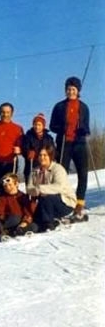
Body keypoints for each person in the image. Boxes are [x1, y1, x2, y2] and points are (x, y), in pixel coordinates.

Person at [50, 76, 91, 220]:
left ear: (78, 90)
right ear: (65, 91)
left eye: (73, 89)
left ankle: (79, 205)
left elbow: (87, 126)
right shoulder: (59, 106)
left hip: (79, 144)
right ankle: (63, 203)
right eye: (68, 89)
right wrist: (61, 128)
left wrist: (83, 130)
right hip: (64, 144)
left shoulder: (84, 107)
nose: (71, 92)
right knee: (62, 174)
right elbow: (52, 126)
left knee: (83, 174)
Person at [27, 146, 77, 231]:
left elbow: (59, 187)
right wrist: (35, 191)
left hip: (64, 203)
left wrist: (40, 188)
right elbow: (29, 188)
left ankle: (48, 224)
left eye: (45, 155)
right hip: (44, 204)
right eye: (40, 155)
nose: (42, 157)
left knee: (47, 197)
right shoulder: (34, 171)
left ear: (50, 156)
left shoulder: (58, 169)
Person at [0, 173, 36, 237]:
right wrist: (3, 217)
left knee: (34, 226)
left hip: (20, 222)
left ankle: (18, 231)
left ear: (16, 184)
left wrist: (25, 221)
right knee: (15, 217)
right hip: (8, 221)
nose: (7, 187)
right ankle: (5, 231)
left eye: (10, 185)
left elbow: (28, 212)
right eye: (5, 186)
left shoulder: (23, 196)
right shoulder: (2, 198)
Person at [21, 114, 55, 185]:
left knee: (44, 187)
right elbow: (24, 148)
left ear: (43, 126)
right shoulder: (28, 136)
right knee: (31, 187)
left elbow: (53, 150)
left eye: (39, 125)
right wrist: (28, 152)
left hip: (45, 165)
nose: (37, 127)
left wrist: (50, 155)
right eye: (35, 125)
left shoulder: (48, 138)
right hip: (32, 165)